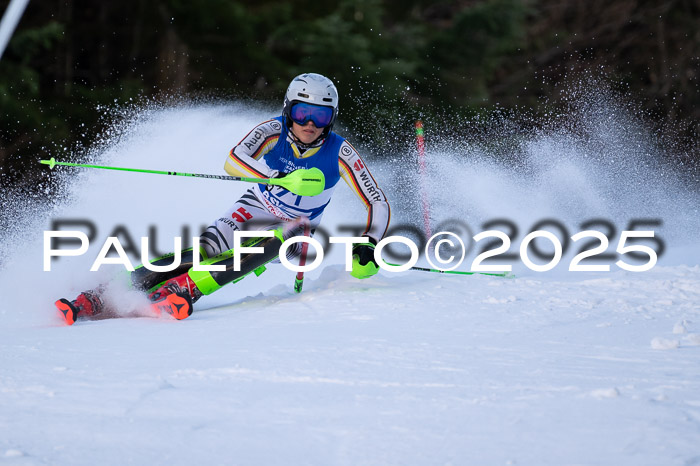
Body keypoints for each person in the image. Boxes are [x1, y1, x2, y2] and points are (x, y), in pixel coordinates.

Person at [55, 72, 391, 325]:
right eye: (302, 112)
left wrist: (369, 241)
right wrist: (278, 177)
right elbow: (233, 160)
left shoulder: (340, 151)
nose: (309, 124)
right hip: (256, 205)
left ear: (330, 119)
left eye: (320, 116)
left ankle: (188, 288)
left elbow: (377, 201)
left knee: (279, 239)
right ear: (289, 110)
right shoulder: (272, 131)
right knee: (203, 249)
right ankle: (107, 292)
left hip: (297, 227)